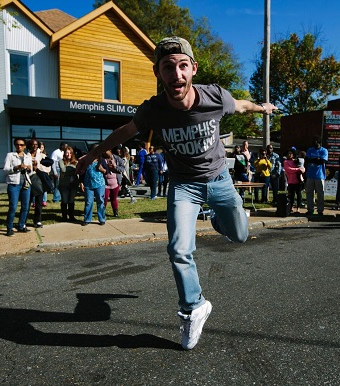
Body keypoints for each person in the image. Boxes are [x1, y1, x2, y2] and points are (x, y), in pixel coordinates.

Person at [75, 36, 277, 350]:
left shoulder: (214, 97)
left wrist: (261, 106)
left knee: (238, 236)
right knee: (178, 249)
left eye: (183, 66)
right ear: (159, 73)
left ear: (193, 69)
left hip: (220, 180)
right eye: (168, 68)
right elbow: (123, 132)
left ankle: (220, 221)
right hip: (184, 186)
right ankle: (193, 307)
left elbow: (241, 105)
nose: (176, 75)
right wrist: (91, 154)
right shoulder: (153, 111)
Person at [3, 137, 33, 236]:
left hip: (25, 182)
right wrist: (17, 167)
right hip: (14, 183)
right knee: (13, 206)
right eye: (17, 144)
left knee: (25, 206)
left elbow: (31, 171)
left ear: (24, 146)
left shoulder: (27, 156)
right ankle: (9, 227)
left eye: (21, 145)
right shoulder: (11, 155)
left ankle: (21, 225)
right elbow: (6, 169)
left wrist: (29, 168)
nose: (19, 146)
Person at [80, 152, 106, 226]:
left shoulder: (101, 160)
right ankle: (87, 219)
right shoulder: (86, 160)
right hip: (88, 184)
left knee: (100, 201)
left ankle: (102, 219)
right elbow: (82, 172)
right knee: (88, 202)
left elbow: (106, 171)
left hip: (100, 184)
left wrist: (102, 169)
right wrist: (81, 182)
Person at [304, 136, 328, 215]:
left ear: (318, 142)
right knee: (309, 193)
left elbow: (322, 161)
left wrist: (313, 160)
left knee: (320, 194)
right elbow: (307, 159)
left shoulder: (324, 151)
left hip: (320, 175)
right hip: (310, 175)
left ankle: (320, 210)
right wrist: (316, 159)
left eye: (315, 141)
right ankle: (310, 209)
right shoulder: (310, 150)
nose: (313, 142)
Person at [58, 145, 79, 222]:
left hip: (73, 184)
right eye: (67, 153)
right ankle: (64, 217)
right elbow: (63, 170)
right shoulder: (61, 161)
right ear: (64, 154)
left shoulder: (76, 162)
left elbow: (77, 171)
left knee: (71, 201)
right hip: (64, 184)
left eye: (70, 153)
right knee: (64, 201)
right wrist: (72, 169)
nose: (68, 154)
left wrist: (70, 169)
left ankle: (71, 216)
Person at [283, 148, 305, 213]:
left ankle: (298, 208)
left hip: (298, 181)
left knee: (299, 195)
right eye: (288, 154)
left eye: (291, 153)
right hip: (291, 181)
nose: (289, 155)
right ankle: (291, 207)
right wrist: (297, 170)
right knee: (291, 195)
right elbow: (288, 169)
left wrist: (302, 170)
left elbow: (303, 168)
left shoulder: (296, 161)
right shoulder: (286, 162)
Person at [103, 150, 121, 217]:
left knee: (114, 198)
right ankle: (102, 211)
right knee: (104, 198)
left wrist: (115, 166)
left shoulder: (117, 158)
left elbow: (122, 168)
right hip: (105, 183)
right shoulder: (102, 159)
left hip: (115, 182)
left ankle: (115, 211)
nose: (105, 152)